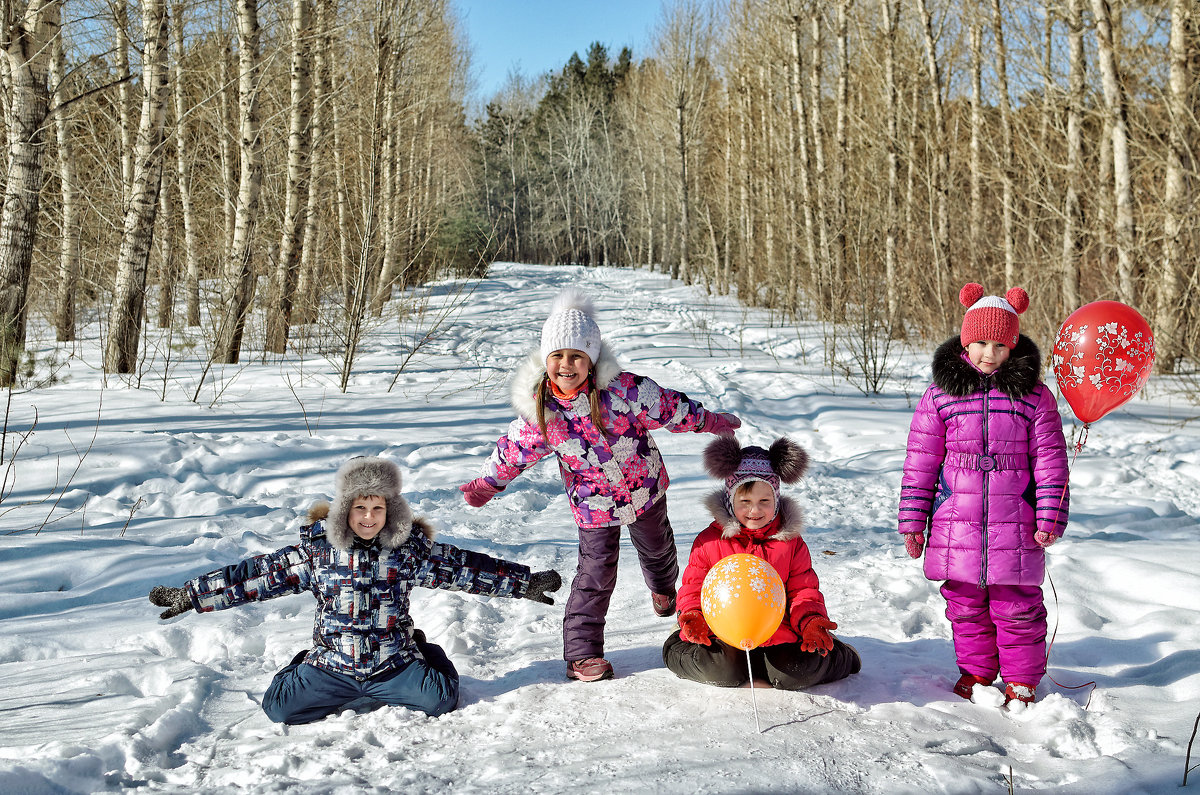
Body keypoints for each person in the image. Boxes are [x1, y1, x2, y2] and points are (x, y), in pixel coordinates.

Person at [148, 456, 562, 725]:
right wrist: (193, 595)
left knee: (440, 700)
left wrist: (523, 583)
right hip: (334, 666)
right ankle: (301, 663)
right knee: (279, 708)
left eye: (378, 508)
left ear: (390, 511)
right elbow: (253, 577)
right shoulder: (318, 553)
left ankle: (425, 652)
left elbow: (465, 568)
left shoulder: (408, 552)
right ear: (345, 509)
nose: (368, 517)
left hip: (392, 664)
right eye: (360, 508)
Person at [459, 288, 741, 682]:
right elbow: (514, 451)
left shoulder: (624, 390)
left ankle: (663, 590)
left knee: (659, 549)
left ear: (592, 358)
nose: (566, 365)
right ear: (545, 360)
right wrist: (488, 484)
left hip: (645, 490)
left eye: (576, 355)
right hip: (594, 505)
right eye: (557, 356)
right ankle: (582, 653)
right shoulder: (542, 410)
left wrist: (711, 421)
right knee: (595, 572)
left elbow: (671, 408)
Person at [899, 283, 1070, 706]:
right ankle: (976, 670)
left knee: (1018, 605)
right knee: (965, 604)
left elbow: (1050, 460)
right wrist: (912, 523)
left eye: (999, 344)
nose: (988, 353)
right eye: (979, 342)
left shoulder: (1034, 396)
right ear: (964, 340)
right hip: (956, 519)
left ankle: (1022, 678)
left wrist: (1050, 515)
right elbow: (920, 462)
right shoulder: (940, 395)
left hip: (1017, 521)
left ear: (1013, 345)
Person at [663, 435, 860, 689]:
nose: (754, 511)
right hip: (724, 635)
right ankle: (675, 647)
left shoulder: (790, 543)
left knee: (794, 674)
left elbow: (803, 590)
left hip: (778, 633)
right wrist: (692, 616)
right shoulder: (709, 542)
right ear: (730, 501)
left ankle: (839, 655)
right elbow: (694, 587)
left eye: (764, 501)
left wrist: (811, 620)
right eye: (745, 502)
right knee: (724, 672)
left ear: (776, 501)